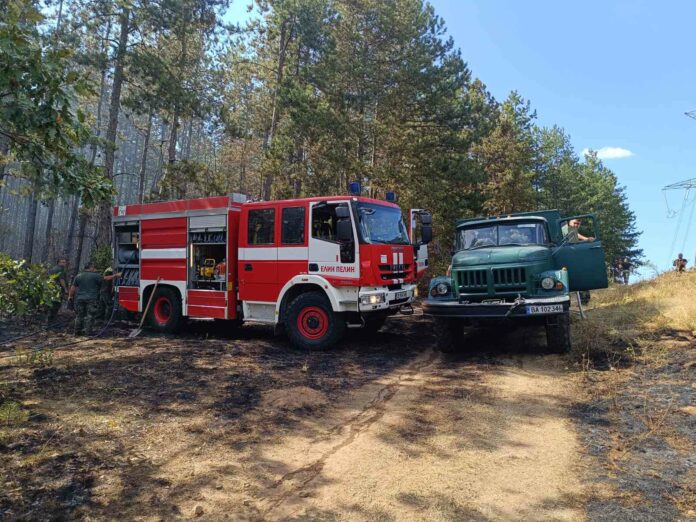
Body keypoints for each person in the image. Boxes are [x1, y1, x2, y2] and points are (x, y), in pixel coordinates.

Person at [68, 262, 120, 336]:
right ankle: (88, 333)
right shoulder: (95, 276)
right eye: (94, 267)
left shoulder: (78, 276)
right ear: (91, 267)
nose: (95, 269)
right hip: (91, 299)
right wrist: (116, 275)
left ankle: (77, 332)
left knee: (79, 315)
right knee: (90, 316)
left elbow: (73, 288)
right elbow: (106, 278)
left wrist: (70, 297)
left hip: (80, 299)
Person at [47, 257, 68, 323]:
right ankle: (52, 320)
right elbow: (61, 280)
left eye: (64, 262)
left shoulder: (53, 269)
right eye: (62, 262)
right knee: (56, 304)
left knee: (52, 304)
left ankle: (50, 319)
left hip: (52, 289)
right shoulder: (60, 269)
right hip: (58, 289)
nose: (64, 263)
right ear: (58, 262)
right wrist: (65, 289)